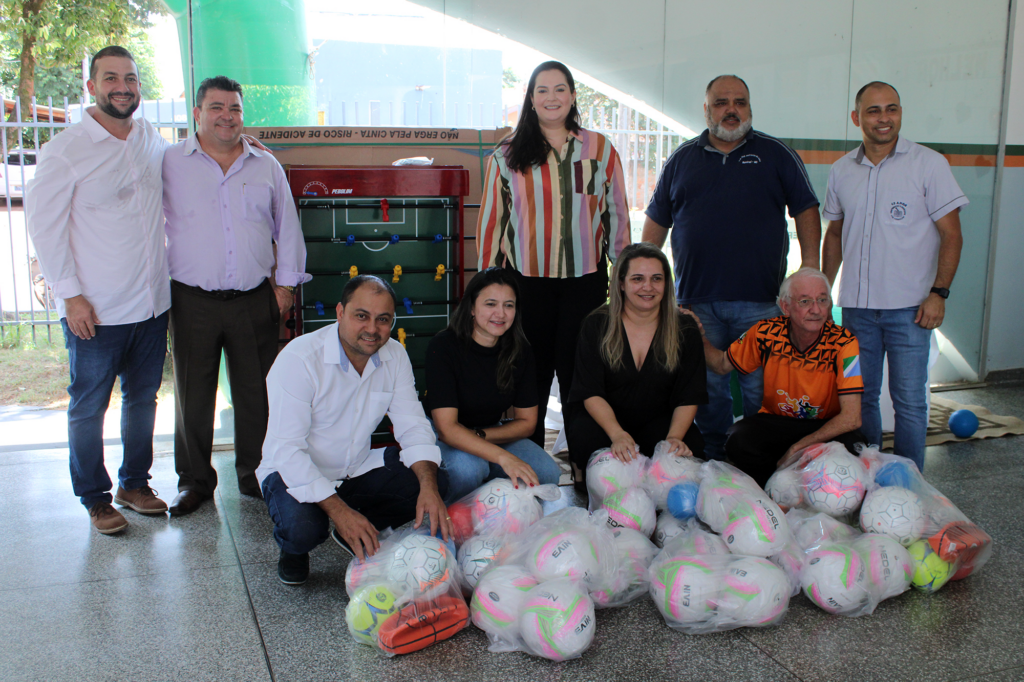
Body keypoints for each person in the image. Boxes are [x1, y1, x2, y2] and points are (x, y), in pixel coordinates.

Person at [26, 46, 171, 534]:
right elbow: (44, 227)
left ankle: (135, 484)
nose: (123, 86)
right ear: (91, 86)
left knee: (143, 399)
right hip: (97, 310)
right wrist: (70, 295)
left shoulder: (149, 136)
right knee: (89, 405)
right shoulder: (66, 150)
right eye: (111, 78)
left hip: (152, 305)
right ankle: (94, 497)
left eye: (130, 78)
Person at [642, 74, 821, 462]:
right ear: (706, 110)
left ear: (750, 108)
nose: (731, 109)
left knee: (761, 390)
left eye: (739, 101)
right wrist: (636, 278)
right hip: (696, 303)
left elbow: (806, 207)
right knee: (707, 392)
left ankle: (761, 462)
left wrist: (811, 268)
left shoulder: (777, 154)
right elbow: (657, 220)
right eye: (721, 102)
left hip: (761, 302)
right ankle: (716, 465)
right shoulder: (682, 159)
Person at [161, 76, 310, 516]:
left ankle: (256, 474)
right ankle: (194, 482)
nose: (227, 116)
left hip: (253, 298)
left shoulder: (265, 166)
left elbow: (287, 226)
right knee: (193, 395)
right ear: (197, 114)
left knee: (257, 393)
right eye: (216, 107)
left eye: (235, 108)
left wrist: (284, 287)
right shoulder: (169, 162)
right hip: (192, 300)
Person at [256, 275, 450, 586]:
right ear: (340, 312)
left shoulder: (394, 355)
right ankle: (294, 549)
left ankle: (360, 529)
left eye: (383, 319)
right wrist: (340, 512)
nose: (372, 329)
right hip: (292, 470)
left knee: (436, 478)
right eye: (362, 316)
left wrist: (429, 487)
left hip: (354, 467)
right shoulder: (299, 359)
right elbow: (287, 451)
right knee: (304, 529)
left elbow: (413, 424)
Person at [476, 60, 630, 447]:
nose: (551, 97)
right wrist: (486, 286)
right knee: (532, 371)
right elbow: (493, 222)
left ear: (573, 95)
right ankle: (532, 459)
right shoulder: (508, 154)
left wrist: (623, 276)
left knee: (581, 372)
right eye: (542, 90)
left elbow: (617, 215)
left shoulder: (600, 149)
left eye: (560, 89)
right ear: (530, 98)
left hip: (585, 282)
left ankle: (583, 459)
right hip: (527, 283)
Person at [822, 81, 968, 473]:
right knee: (860, 397)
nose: (884, 118)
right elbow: (834, 234)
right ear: (857, 118)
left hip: (911, 308)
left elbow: (951, 234)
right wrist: (822, 290)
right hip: (856, 308)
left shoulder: (928, 164)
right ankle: (867, 478)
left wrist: (939, 293)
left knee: (908, 400)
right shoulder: (841, 171)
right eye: (873, 110)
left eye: (892, 109)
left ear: (900, 113)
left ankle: (909, 482)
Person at [697, 268, 866, 488]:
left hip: (823, 426)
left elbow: (852, 418)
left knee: (856, 446)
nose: (816, 309)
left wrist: (798, 447)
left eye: (822, 300)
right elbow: (720, 365)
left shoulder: (845, 343)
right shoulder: (765, 332)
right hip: (777, 423)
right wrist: (700, 336)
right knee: (737, 440)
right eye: (805, 301)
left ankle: (800, 485)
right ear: (785, 307)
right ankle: (775, 488)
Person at [565, 243, 707, 488]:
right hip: (605, 423)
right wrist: (617, 435)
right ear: (621, 283)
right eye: (638, 279)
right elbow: (590, 391)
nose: (648, 287)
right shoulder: (597, 324)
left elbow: (689, 394)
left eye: (656, 279)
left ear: (667, 284)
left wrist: (673, 439)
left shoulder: (685, 328)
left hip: (659, 422)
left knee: (689, 446)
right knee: (584, 437)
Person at [425, 267, 563, 504]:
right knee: (469, 470)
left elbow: (527, 423)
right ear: (471, 307)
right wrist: (504, 458)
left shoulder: (521, 350)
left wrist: (481, 436)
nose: (500, 313)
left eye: (509, 305)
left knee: (548, 473)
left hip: (489, 430)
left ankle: (496, 509)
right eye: (490, 304)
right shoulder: (444, 346)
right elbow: (447, 429)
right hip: (441, 432)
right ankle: (448, 520)